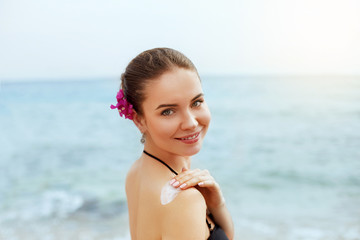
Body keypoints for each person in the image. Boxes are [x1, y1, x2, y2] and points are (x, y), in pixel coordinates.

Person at [111, 48, 234, 240]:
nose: (191, 122)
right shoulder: (184, 200)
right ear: (139, 120)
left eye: (196, 102)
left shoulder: (136, 173)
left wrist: (216, 204)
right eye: (168, 111)